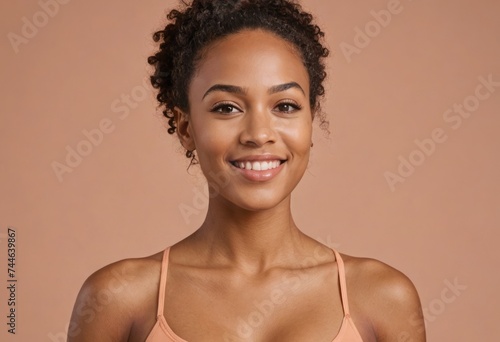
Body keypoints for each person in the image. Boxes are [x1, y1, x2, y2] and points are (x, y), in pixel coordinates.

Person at [69, 0, 426, 341]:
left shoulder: (383, 298)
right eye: (226, 108)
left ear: (311, 122)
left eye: (285, 106)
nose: (259, 134)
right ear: (186, 128)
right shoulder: (117, 299)